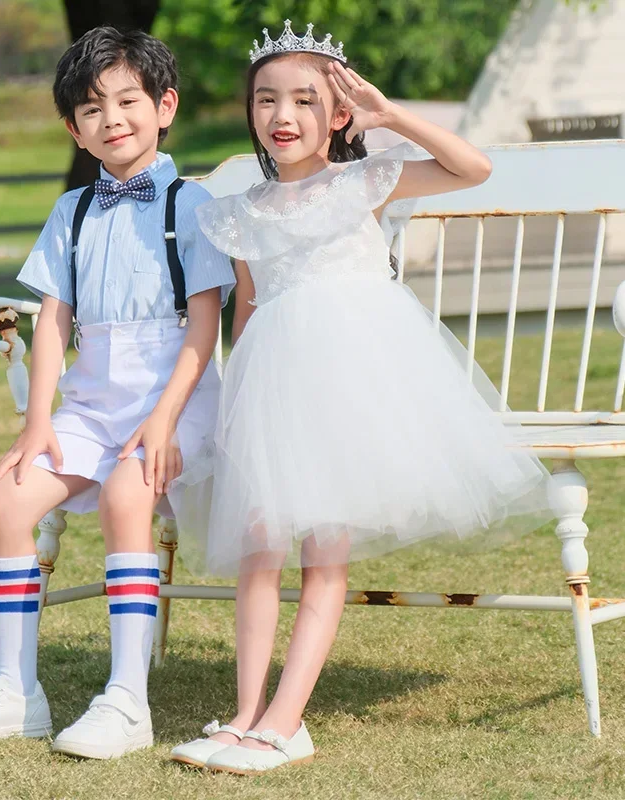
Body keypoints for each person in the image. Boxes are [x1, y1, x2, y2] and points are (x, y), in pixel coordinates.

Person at [170, 20, 551, 774]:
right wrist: (236, 411)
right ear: (250, 111)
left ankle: (286, 720)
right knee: (258, 545)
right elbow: (246, 313)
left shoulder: (361, 181)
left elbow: (471, 168)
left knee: (324, 551)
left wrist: (392, 117)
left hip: (355, 383)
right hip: (274, 389)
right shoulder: (242, 211)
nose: (284, 116)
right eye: (267, 100)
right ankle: (244, 714)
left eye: (307, 101)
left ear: (338, 113)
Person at [0, 26, 234, 760]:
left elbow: (205, 329)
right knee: (9, 495)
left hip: (180, 403)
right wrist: (39, 423)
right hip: (91, 408)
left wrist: (161, 423)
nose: (112, 118)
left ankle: (127, 700)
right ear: (73, 128)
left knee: (130, 495)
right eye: (92, 109)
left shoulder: (192, 206)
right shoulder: (71, 213)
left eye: (129, 100)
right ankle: (14, 692)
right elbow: (54, 326)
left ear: (166, 106)